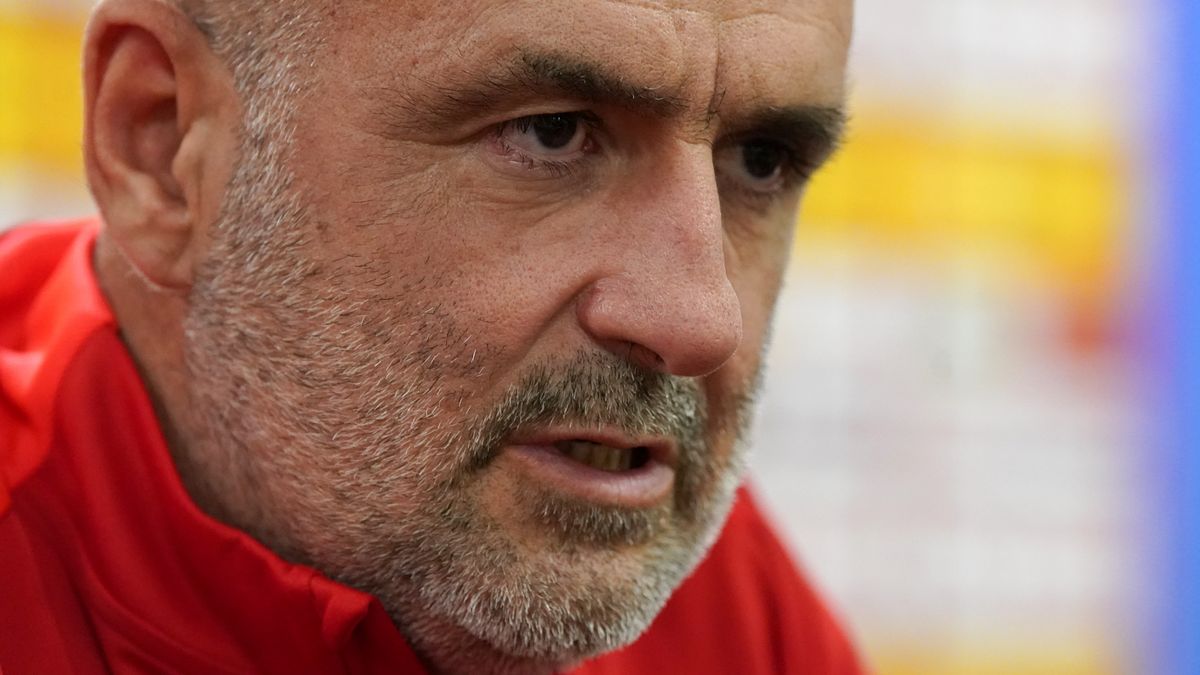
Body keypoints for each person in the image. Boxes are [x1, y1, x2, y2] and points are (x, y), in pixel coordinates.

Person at [0, 0, 860, 673]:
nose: (699, 323)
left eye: (760, 159)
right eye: (549, 131)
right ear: (162, 147)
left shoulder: (715, 604)